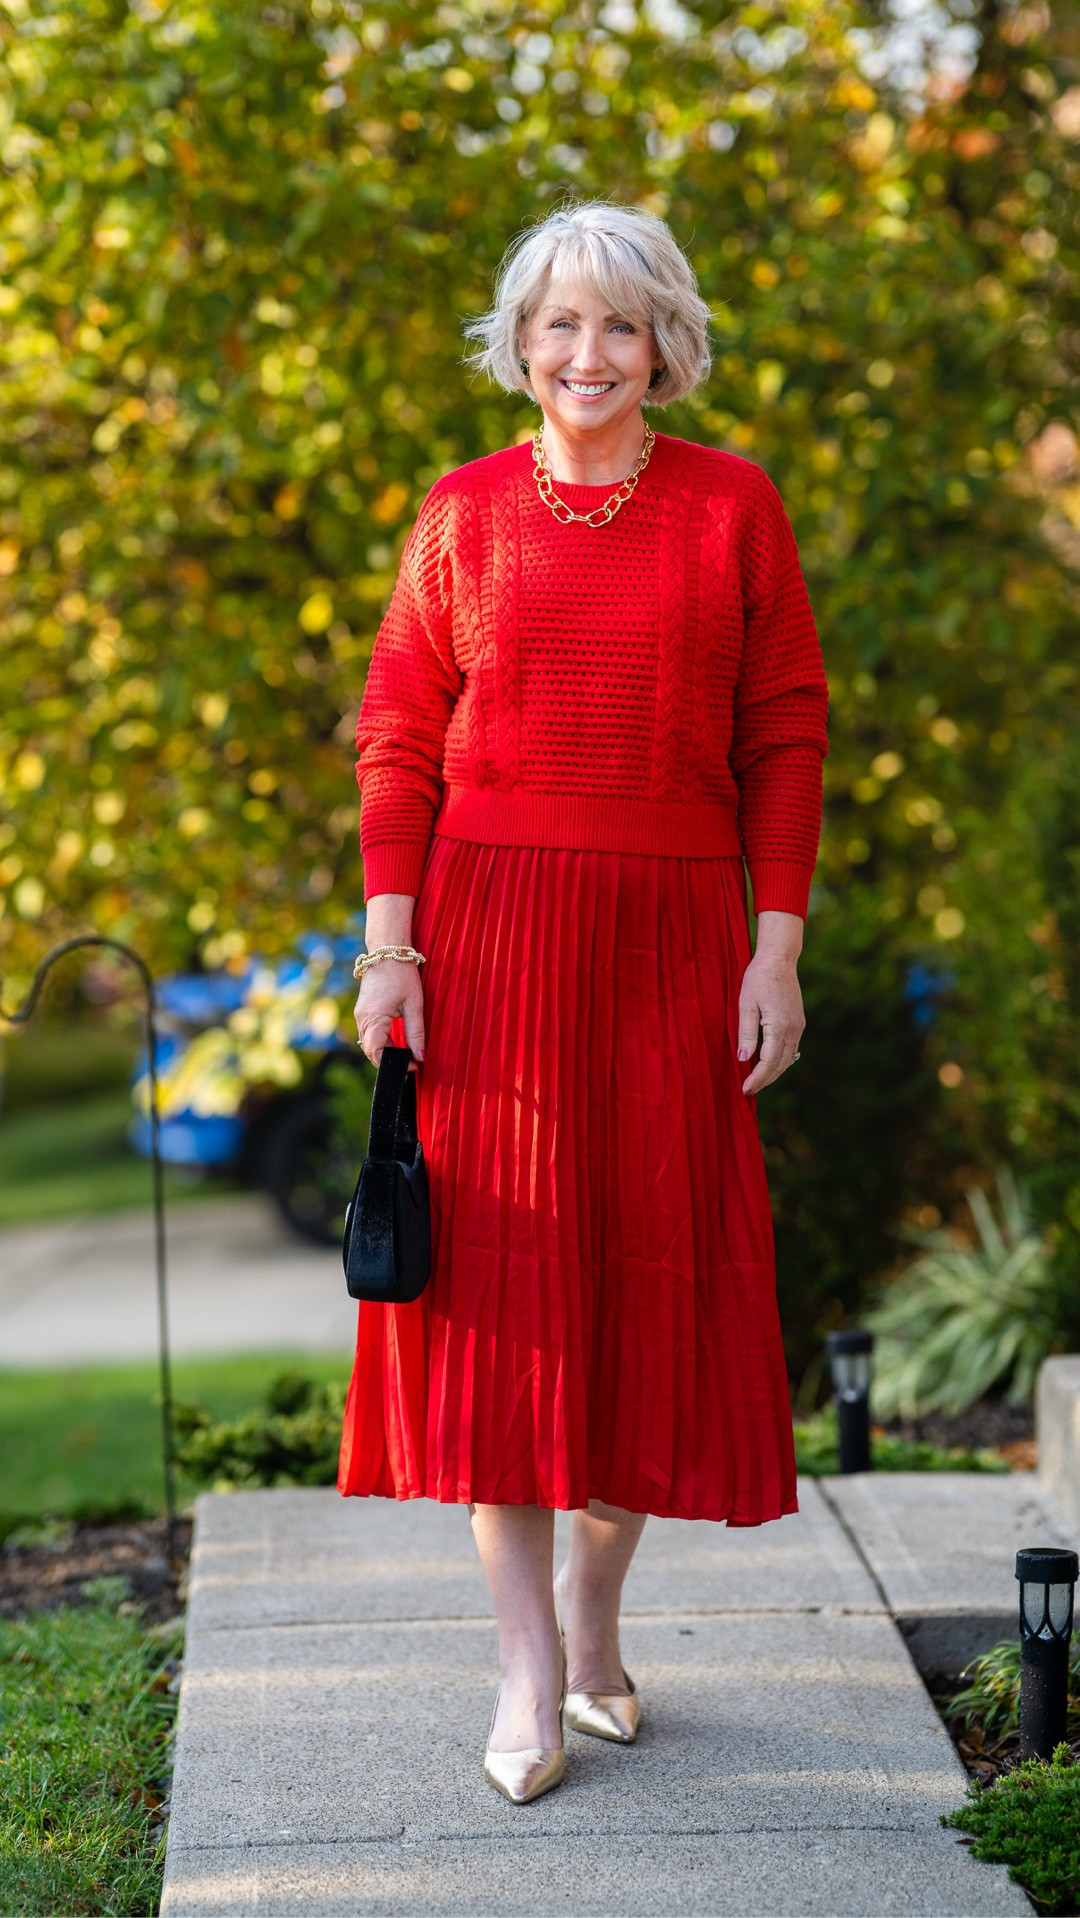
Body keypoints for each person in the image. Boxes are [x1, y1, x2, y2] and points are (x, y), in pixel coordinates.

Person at [339, 200, 828, 1805]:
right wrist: (391, 949)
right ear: (522, 340)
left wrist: (774, 947)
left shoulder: (732, 507)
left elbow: (785, 733)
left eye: (620, 322)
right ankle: (525, 1666)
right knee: (507, 1303)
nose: (588, 352)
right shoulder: (464, 513)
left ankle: (594, 1618)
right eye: (559, 321)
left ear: (665, 341)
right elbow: (397, 732)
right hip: (491, 942)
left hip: (676, 942)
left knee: (647, 1291)